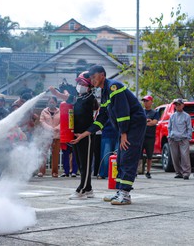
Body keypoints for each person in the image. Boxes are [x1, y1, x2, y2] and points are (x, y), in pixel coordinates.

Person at [71, 65, 146, 205]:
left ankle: (125, 194)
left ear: (102, 75)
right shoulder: (105, 92)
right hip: (126, 127)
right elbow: (102, 118)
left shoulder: (114, 87)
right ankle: (120, 191)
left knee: (128, 156)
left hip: (134, 125)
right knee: (120, 158)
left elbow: (123, 112)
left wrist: (124, 133)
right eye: (91, 78)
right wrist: (85, 133)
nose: (92, 80)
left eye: (94, 77)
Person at [50, 71, 99, 199]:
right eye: (78, 83)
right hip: (76, 135)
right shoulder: (80, 97)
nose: (78, 85)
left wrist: (61, 94)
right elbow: (71, 99)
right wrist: (57, 94)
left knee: (85, 163)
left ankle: (81, 189)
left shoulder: (90, 98)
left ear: (88, 85)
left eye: (81, 83)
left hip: (86, 135)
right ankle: (88, 188)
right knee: (80, 162)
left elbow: (75, 100)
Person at [168, 98, 192, 180]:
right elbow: (169, 127)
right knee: (175, 157)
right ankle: (178, 173)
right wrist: (169, 136)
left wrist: (188, 137)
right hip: (173, 139)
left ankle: (186, 173)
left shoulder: (187, 116)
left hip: (183, 139)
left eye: (179, 104)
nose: (177, 106)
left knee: (185, 156)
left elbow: (189, 128)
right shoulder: (172, 116)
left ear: (182, 105)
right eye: (176, 104)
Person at [38, 96, 60, 177]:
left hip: (56, 136)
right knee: (43, 154)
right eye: (50, 102)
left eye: (53, 102)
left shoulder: (60, 111)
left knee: (55, 155)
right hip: (46, 136)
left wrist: (56, 128)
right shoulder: (44, 112)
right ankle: (41, 171)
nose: (52, 103)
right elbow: (41, 121)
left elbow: (63, 122)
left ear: (56, 103)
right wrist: (48, 128)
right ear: (47, 103)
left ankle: (55, 172)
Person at [141, 95, 160, 179]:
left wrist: (148, 122)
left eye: (147, 101)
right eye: (144, 101)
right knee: (138, 155)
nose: (145, 102)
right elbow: (139, 122)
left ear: (151, 102)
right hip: (141, 136)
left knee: (149, 155)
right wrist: (148, 121)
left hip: (150, 137)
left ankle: (148, 171)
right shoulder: (141, 111)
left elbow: (154, 122)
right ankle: (137, 171)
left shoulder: (155, 112)